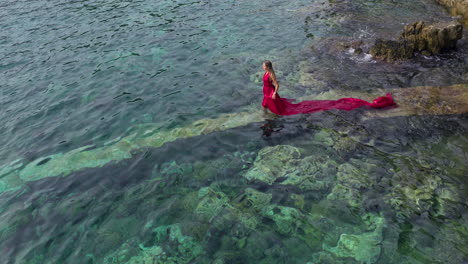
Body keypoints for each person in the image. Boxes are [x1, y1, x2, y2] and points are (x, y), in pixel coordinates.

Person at [261, 60, 396, 115]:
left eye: (264, 65)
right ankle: (265, 109)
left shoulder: (272, 74)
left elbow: (277, 84)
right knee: (266, 104)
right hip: (266, 91)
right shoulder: (267, 73)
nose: (262, 67)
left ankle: (268, 111)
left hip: (270, 92)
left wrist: (274, 93)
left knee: (281, 109)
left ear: (268, 67)